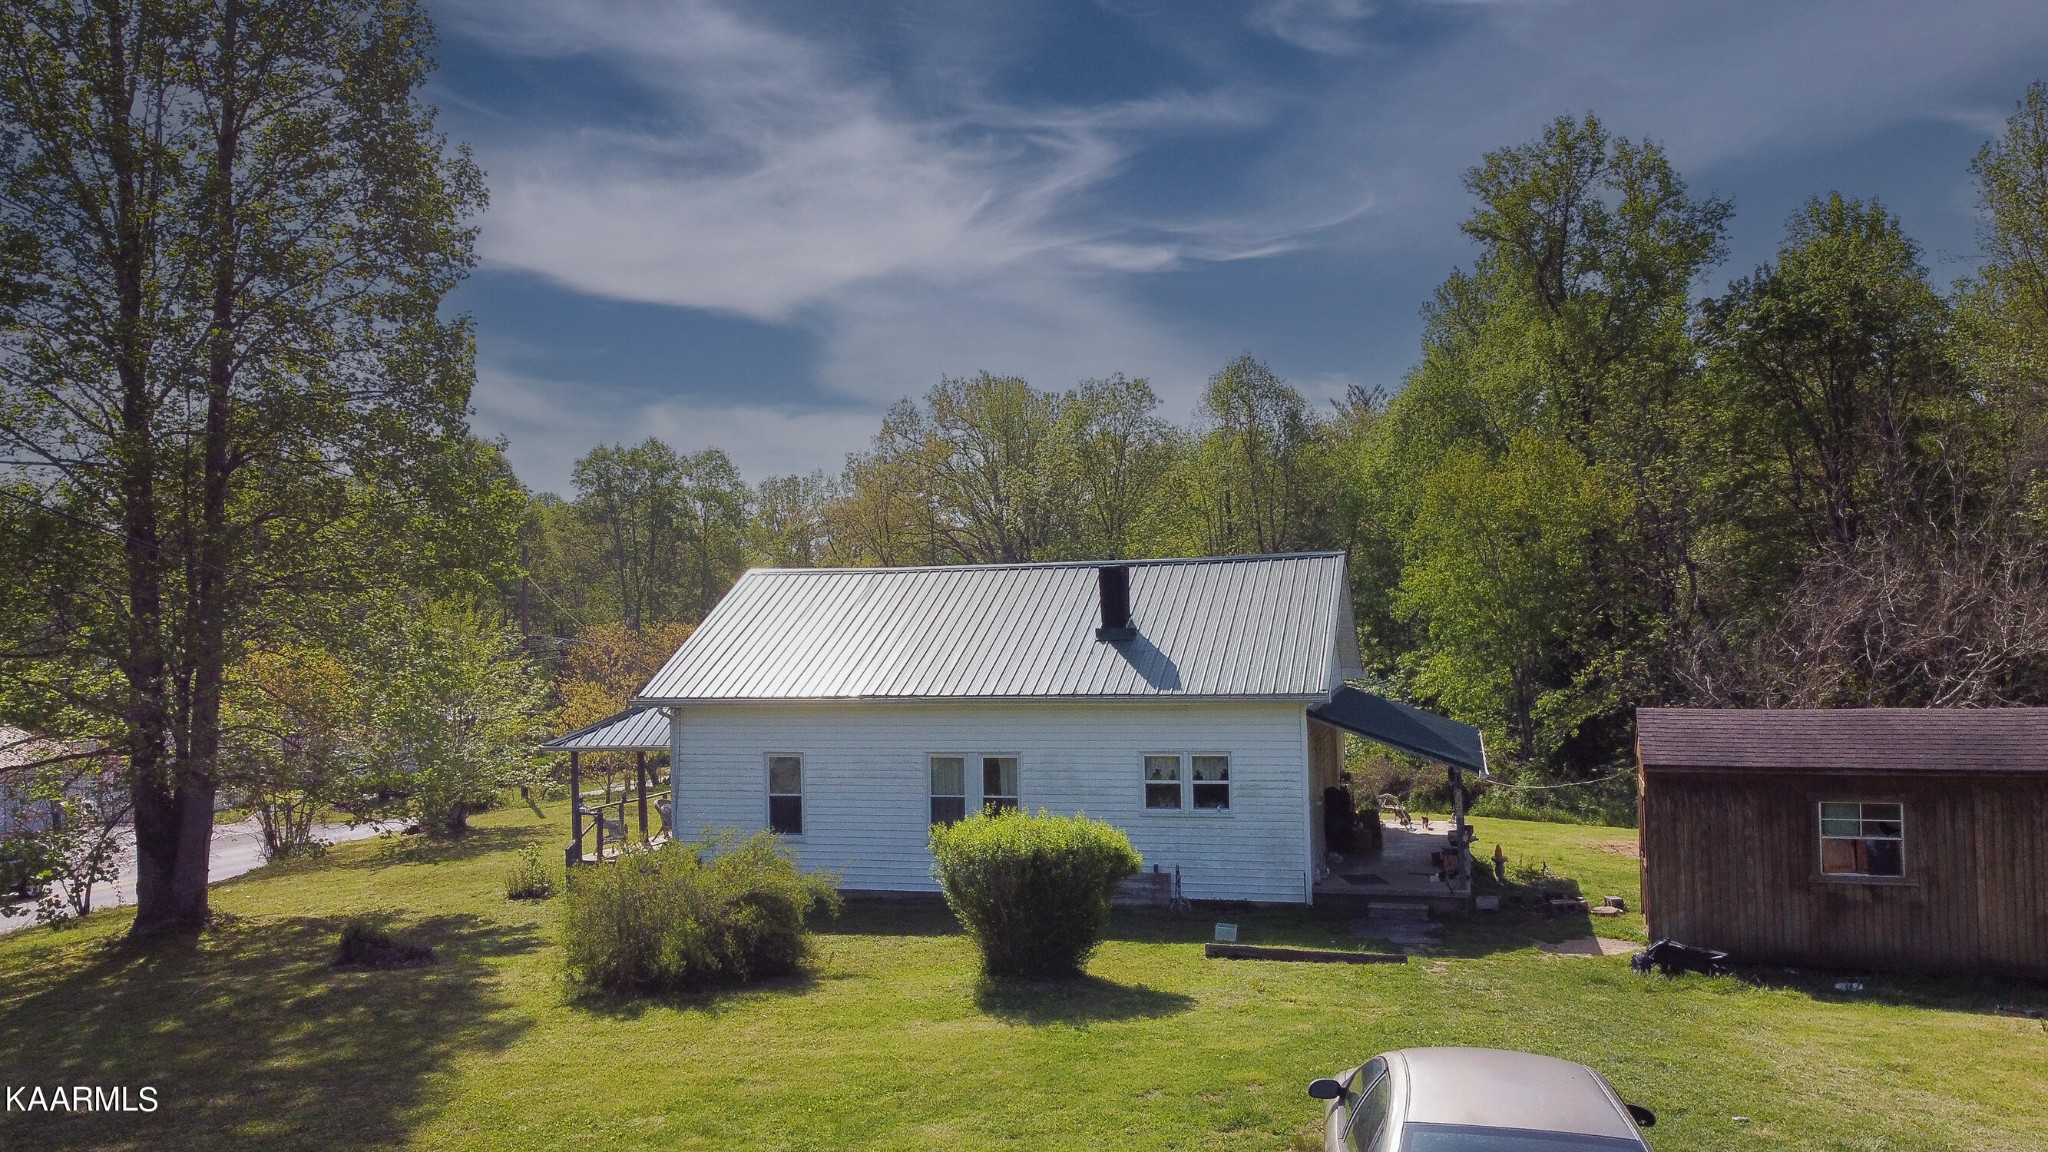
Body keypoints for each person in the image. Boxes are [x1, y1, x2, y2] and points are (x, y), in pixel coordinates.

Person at [1322, 773, 1356, 854]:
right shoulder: (1339, 800)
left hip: (1338, 820)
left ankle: (1339, 849)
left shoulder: (1337, 800)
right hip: (1338, 821)